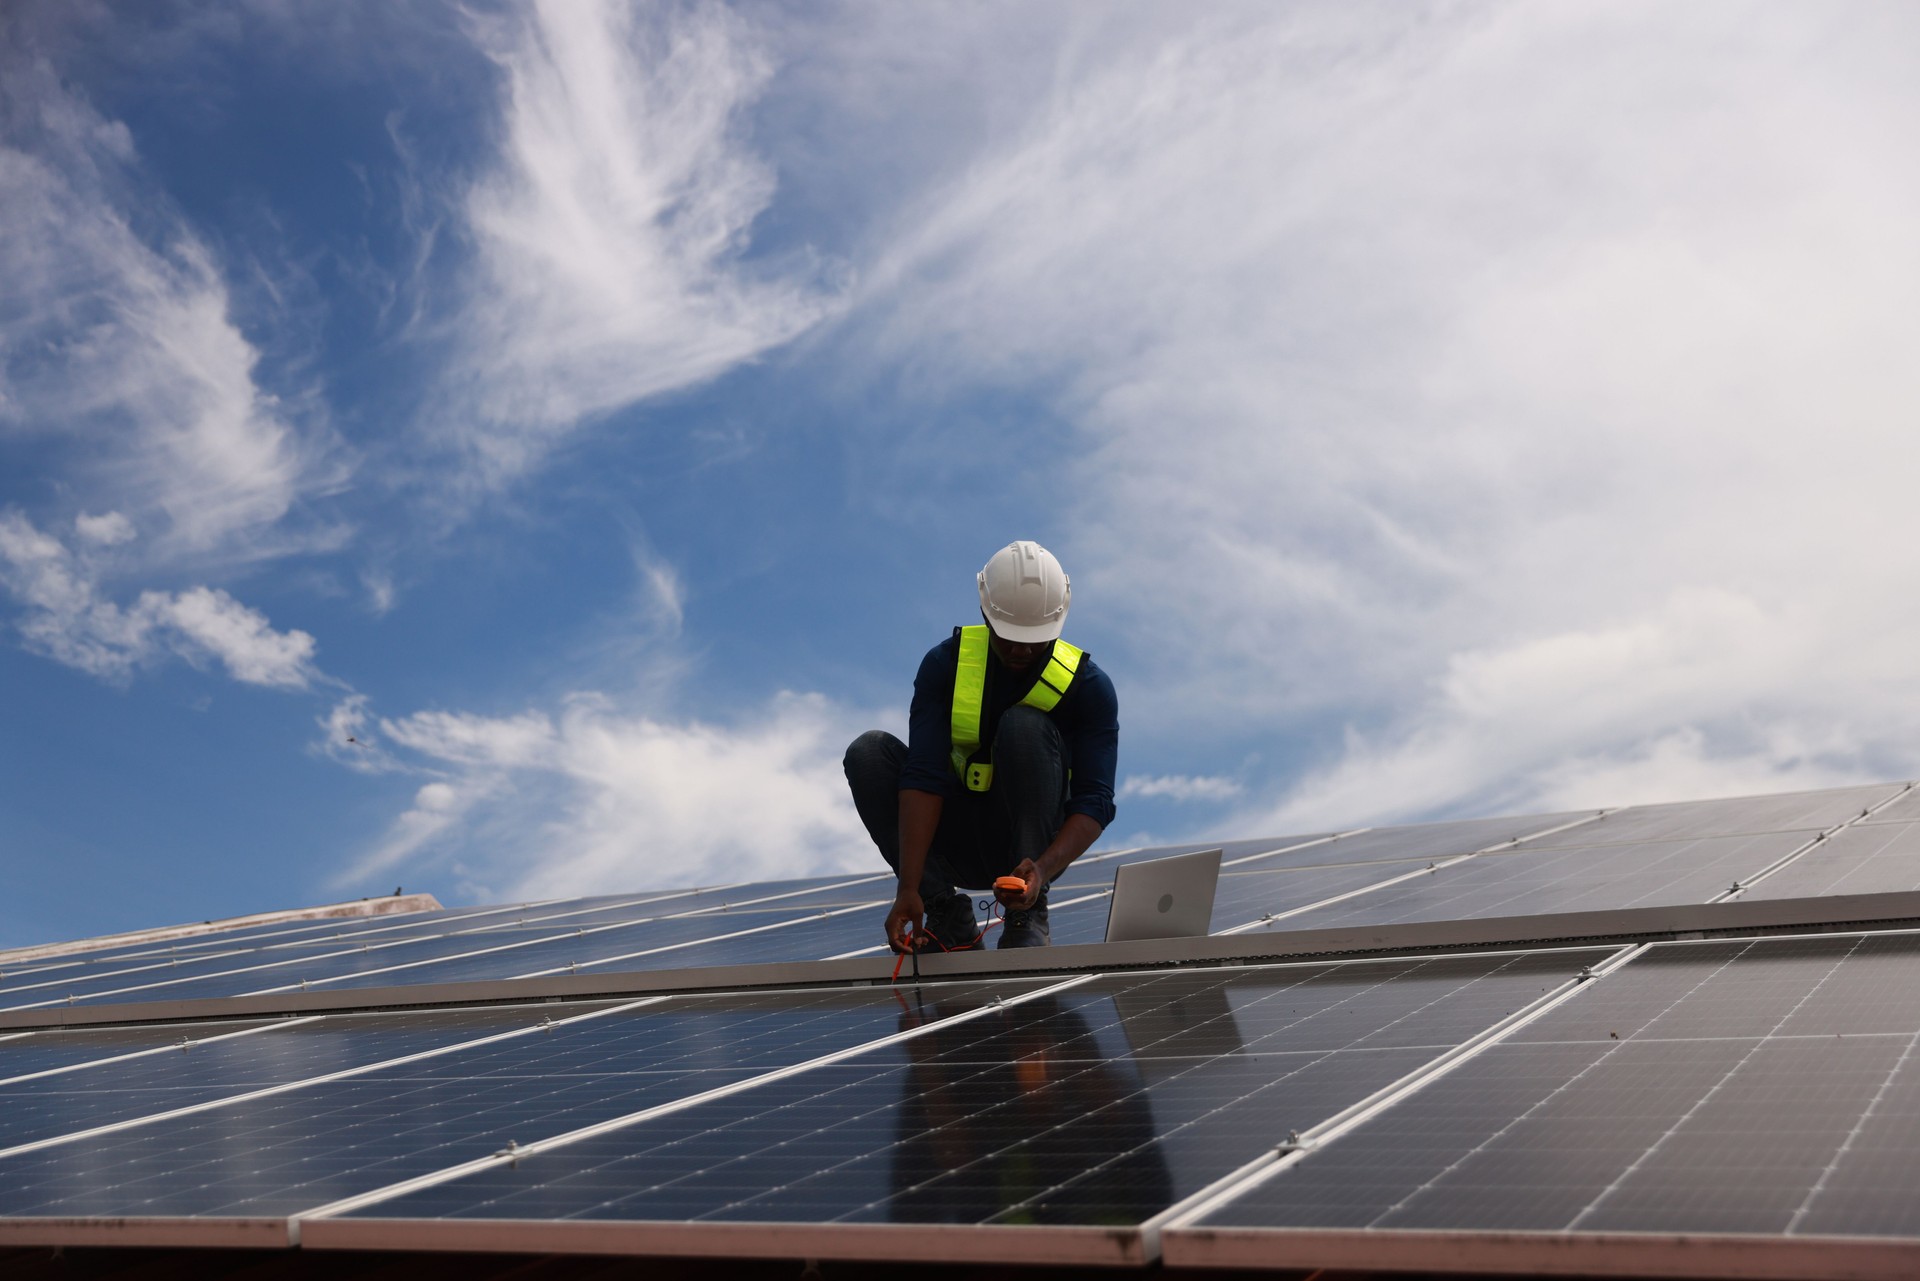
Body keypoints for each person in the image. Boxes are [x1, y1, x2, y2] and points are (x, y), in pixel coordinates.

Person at [843, 540, 1119, 952]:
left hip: (1032, 853)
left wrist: (1040, 871)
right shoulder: (945, 665)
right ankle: (946, 916)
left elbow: (1095, 800)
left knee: (1023, 724)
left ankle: (1026, 913)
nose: (1021, 649)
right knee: (868, 752)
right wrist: (910, 886)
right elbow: (925, 774)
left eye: (1035, 638)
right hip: (953, 840)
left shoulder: (1089, 688)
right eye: (1009, 636)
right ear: (985, 613)